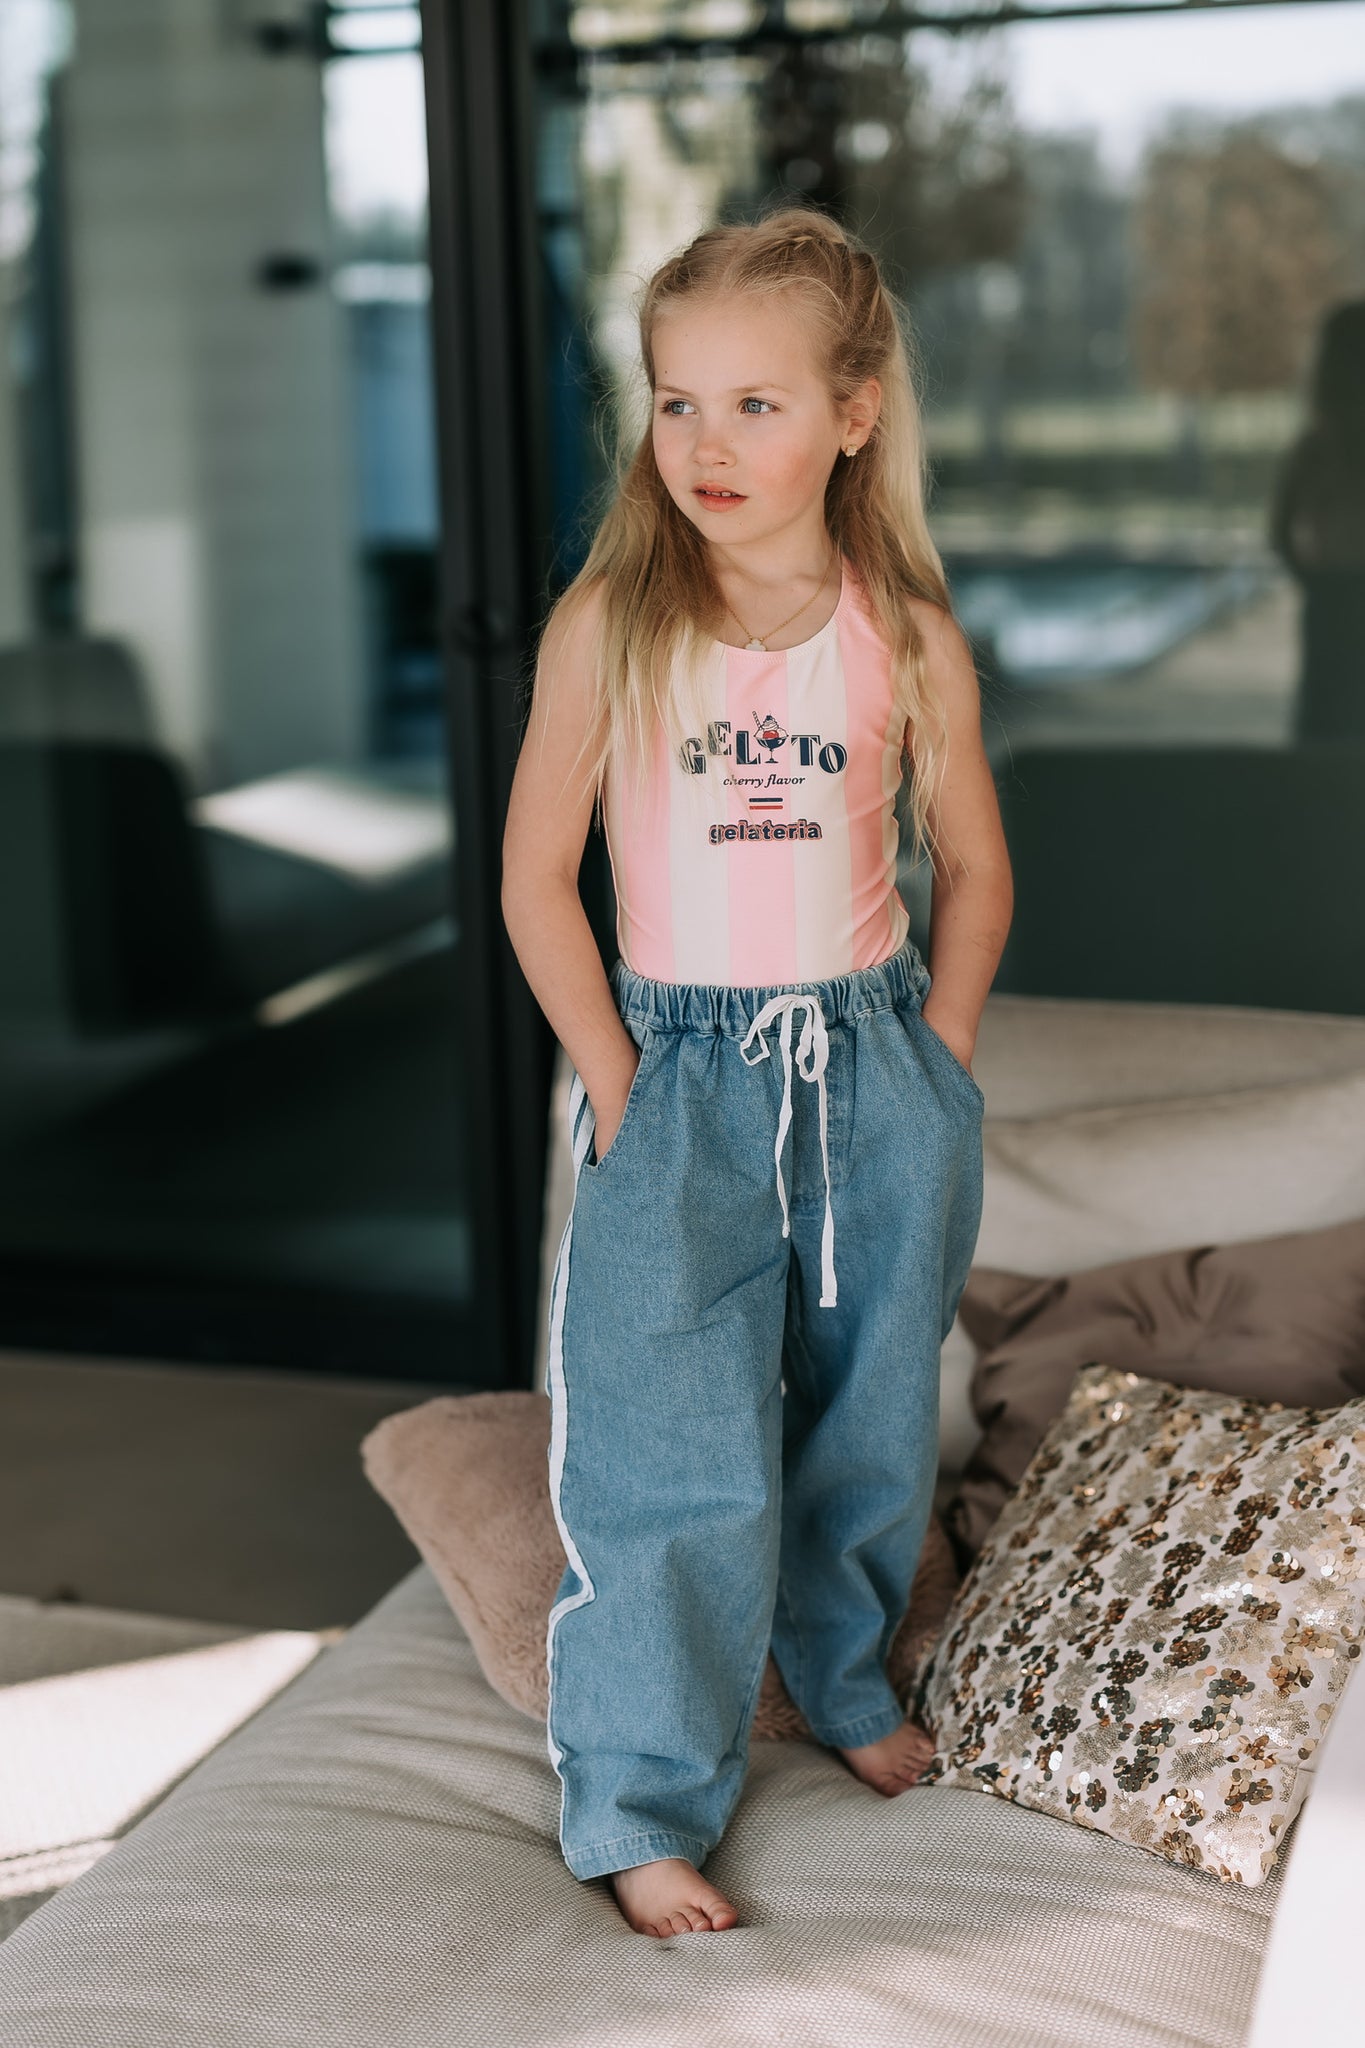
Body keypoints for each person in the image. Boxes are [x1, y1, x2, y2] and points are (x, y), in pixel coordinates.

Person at [501, 205, 1013, 1939]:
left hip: (871, 1068)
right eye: (676, 403)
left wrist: (938, 1063)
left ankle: (846, 1679)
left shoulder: (903, 631)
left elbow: (978, 869)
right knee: (674, 1449)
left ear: (855, 414)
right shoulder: (613, 623)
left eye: (756, 404)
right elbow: (534, 881)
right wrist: (620, 1081)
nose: (706, 445)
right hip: (683, 1075)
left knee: (869, 1415)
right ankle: (642, 1801)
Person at [1269, 297, 1365, 741]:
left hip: (1329, 597)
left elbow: (1279, 533)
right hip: (1330, 594)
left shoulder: (1314, 447)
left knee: (1326, 722)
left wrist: (1314, 580)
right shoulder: (1314, 448)